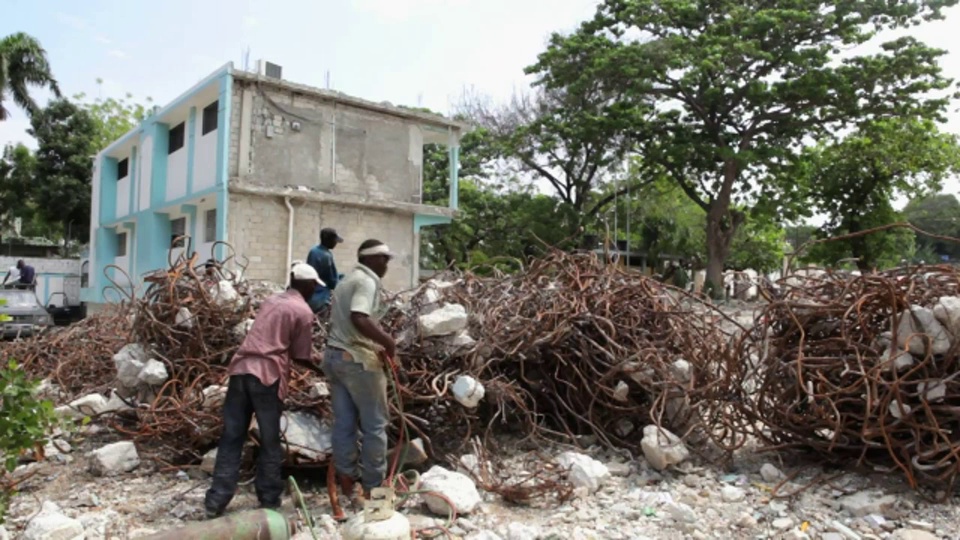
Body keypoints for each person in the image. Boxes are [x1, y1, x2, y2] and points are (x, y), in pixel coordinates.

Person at [203, 263, 325, 518]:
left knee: (232, 437)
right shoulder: (302, 311)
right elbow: (301, 355)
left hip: (241, 370)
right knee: (270, 441)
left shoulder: (271, 301)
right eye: (314, 286)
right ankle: (269, 499)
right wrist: (326, 371)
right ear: (310, 285)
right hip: (267, 376)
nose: (315, 290)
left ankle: (216, 501)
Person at [323, 239, 396, 505]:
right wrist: (388, 343)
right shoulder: (366, 281)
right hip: (356, 360)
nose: (386, 264)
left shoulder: (346, 281)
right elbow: (359, 317)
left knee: (344, 424)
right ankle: (373, 492)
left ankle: (347, 485)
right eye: (383, 258)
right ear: (369, 259)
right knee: (376, 425)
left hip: (334, 357)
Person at [306, 228, 344, 313]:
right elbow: (332, 281)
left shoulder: (314, 251)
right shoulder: (326, 256)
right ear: (329, 240)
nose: (335, 243)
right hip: (321, 298)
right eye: (334, 241)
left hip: (309, 294)